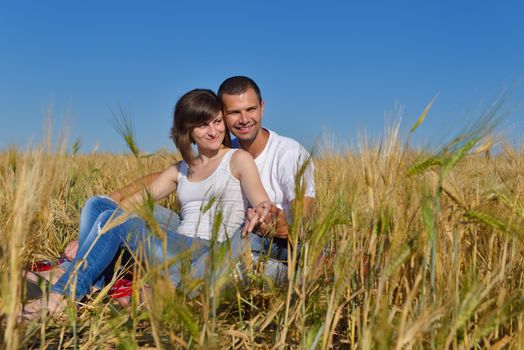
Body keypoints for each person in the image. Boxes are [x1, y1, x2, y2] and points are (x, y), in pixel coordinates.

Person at [22, 88, 273, 317]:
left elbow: (261, 199)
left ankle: (61, 297)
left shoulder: (237, 159)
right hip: (174, 246)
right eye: (202, 125)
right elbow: (131, 202)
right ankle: (87, 279)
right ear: (188, 132)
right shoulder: (181, 170)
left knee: (112, 221)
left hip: (208, 251)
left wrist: (262, 211)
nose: (214, 131)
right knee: (99, 205)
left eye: (218, 122)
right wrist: (91, 236)